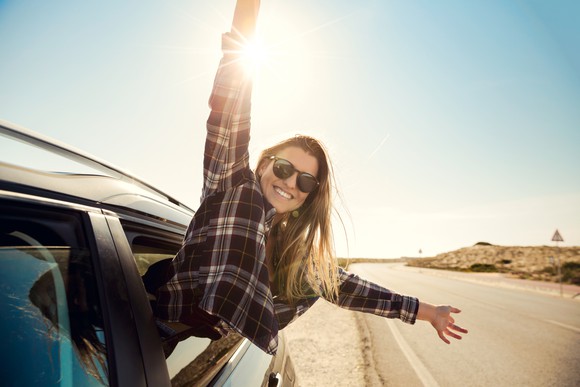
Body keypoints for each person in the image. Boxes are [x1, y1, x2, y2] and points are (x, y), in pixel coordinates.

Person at [154, 0, 467, 355]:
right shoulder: (231, 188)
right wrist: (248, 13)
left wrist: (428, 313)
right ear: (264, 165)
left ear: (310, 195)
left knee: (315, 278)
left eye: (305, 181)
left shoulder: (297, 257)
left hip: (208, 354)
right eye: (285, 169)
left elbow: (346, 287)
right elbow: (230, 109)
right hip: (155, 343)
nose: (290, 183)